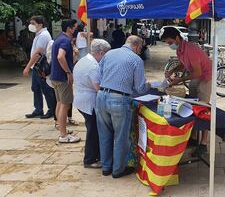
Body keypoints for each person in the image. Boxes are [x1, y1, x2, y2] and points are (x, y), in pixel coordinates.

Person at [96, 35, 150, 178]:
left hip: (101, 96)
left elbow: (99, 75)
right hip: (119, 100)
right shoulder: (136, 60)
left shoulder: (109, 54)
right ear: (137, 46)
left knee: (104, 134)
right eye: (140, 48)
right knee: (121, 137)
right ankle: (118, 170)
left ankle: (106, 167)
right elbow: (139, 88)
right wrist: (149, 85)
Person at [161, 27, 212, 157]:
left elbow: (198, 72)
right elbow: (183, 65)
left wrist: (180, 79)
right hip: (196, 77)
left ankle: (203, 143)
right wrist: (172, 71)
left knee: (203, 109)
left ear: (177, 38)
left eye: (169, 42)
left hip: (205, 78)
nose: (169, 45)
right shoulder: (180, 49)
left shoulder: (190, 49)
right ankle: (194, 138)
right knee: (192, 107)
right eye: (167, 43)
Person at [74, 39, 111, 169]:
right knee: (93, 131)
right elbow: (98, 87)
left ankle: (95, 155)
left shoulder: (84, 60)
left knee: (92, 129)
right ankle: (89, 159)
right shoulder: (93, 66)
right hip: (89, 101)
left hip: (81, 99)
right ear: (101, 53)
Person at [50, 19, 81, 143]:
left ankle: (60, 127)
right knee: (65, 105)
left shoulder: (59, 38)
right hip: (63, 78)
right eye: (74, 27)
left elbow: (66, 59)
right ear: (69, 28)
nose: (75, 29)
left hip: (55, 76)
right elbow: (60, 56)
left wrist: (75, 55)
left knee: (59, 102)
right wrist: (68, 72)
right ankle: (63, 135)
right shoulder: (65, 40)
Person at [23, 15, 56, 119]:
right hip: (36, 67)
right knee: (36, 88)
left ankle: (52, 110)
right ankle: (38, 109)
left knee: (46, 89)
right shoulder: (39, 34)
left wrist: (27, 67)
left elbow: (38, 54)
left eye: (33, 23)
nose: (31, 26)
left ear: (40, 24)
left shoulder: (43, 35)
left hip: (40, 67)